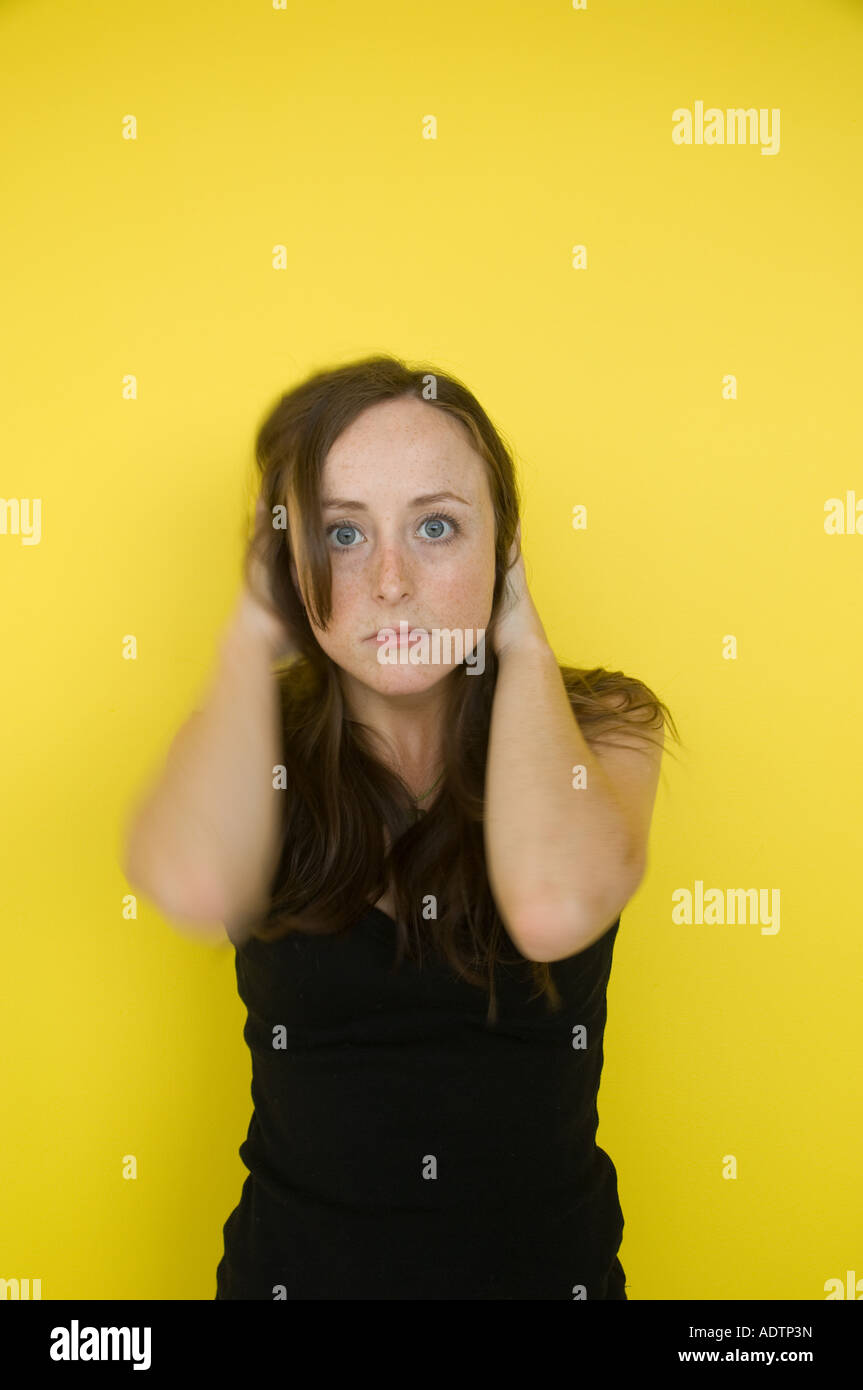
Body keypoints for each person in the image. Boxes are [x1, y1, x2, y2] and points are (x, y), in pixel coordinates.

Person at [123, 355, 678, 1300]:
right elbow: (189, 883)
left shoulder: (606, 726)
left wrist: (520, 634)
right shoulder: (243, 741)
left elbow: (549, 905)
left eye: (436, 527)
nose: (388, 581)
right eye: (341, 533)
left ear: (502, 546)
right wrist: (255, 628)